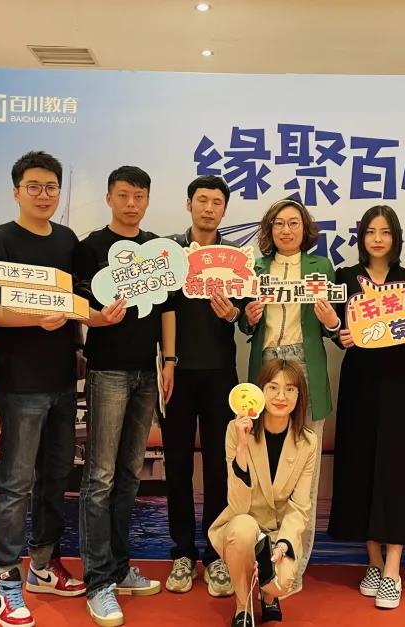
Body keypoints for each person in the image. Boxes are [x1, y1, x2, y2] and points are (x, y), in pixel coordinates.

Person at [0, 152, 112, 627]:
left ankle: (43, 564)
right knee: (16, 482)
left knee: (56, 475)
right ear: (16, 191)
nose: (43, 195)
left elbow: (77, 300)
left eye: (51, 187)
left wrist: (100, 317)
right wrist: (37, 318)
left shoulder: (67, 240)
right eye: (33, 186)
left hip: (62, 379)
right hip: (19, 381)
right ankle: (5, 578)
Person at [75, 165, 170, 627]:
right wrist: (96, 319)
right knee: (101, 476)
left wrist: (169, 361)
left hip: (147, 372)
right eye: (124, 195)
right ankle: (98, 582)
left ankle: (118, 567)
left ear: (148, 200)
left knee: (130, 474)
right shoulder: (89, 247)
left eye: (139, 196)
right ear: (110, 198)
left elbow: (168, 308)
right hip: (107, 371)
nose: (132, 204)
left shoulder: (156, 249)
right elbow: (75, 305)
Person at [327, 205, 405, 610]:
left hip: (399, 382)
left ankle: (393, 569)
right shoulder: (345, 277)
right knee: (362, 465)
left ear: (395, 238)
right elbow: (334, 328)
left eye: (385, 232)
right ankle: (372, 562)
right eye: (371, 231)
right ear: (362, 237)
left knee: (398, 469)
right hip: (359, 381)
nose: (377, 239)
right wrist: (338, 333)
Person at [239, 198, 339, 593]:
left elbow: (331, 327)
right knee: (263, 472)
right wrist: (248, 318)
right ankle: (263, 565)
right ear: (269, 229)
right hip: (266, 367)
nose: (286, 230)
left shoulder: (321, 268)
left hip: (305, 368)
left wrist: (332, 320)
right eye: (279, 223)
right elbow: (246, 325)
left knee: (303, 477)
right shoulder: (255, 268)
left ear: (305, 229)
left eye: (294, 223)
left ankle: (292, 570)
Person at [162, 175, 239, 597]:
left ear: (224, 209)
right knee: (176, 463)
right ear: (189, 204)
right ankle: (181, 553)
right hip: (176, 373)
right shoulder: (170, 253)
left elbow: (248, 314)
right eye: (202, 200)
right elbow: (162, 309)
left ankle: (215, 555)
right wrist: (168, 361)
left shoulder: (237, 258)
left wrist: (233, 315)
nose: (209, 208)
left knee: (219, 466)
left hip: (221, 374)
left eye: (216, 202)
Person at [208, 359, 319, 627]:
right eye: (273, 387)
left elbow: (300, 507)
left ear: (299, 396)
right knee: (243, 529)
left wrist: (282, 545)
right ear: (260, 391)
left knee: (281, 583)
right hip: (243, 524)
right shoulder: (235, 431)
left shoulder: (308, 442)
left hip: (278, 532)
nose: (281, 396)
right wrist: (242, 446)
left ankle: (269, 597)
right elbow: (237, 504)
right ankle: (242, 606)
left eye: (290, 389)